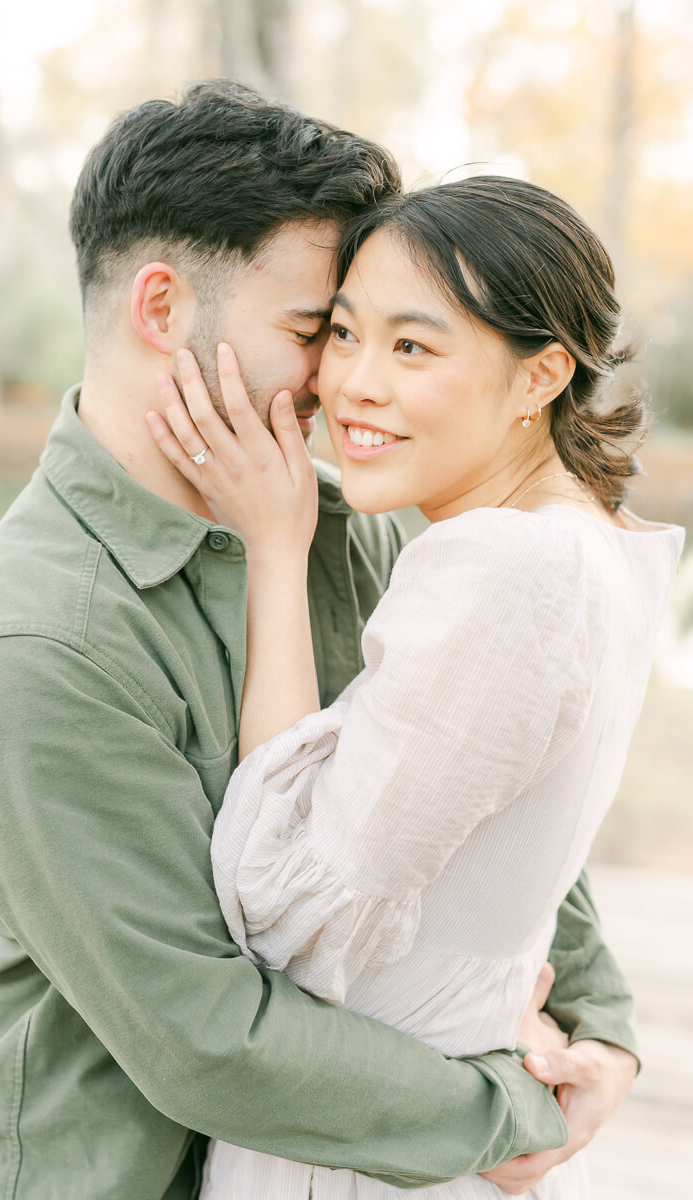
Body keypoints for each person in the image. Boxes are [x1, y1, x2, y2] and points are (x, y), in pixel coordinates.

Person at [0, 84, 637, 1200]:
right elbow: (201, 1037)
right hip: (87, 1173)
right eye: (317, 331)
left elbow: (458, 784)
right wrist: (504, 1112)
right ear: (163, 309)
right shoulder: (34, 649)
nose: (341, 381)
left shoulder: (342, 528)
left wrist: (598, 1027)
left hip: (318, 1148)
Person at [145, 175, 684, 1199]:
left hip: (368, 1146)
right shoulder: (600, 553)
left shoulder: (500, 567)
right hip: (452, 1110)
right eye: (341, 335)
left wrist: (272, 547)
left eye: (413, 347)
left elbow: (282, 907)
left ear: (537, 380)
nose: (350, 385)